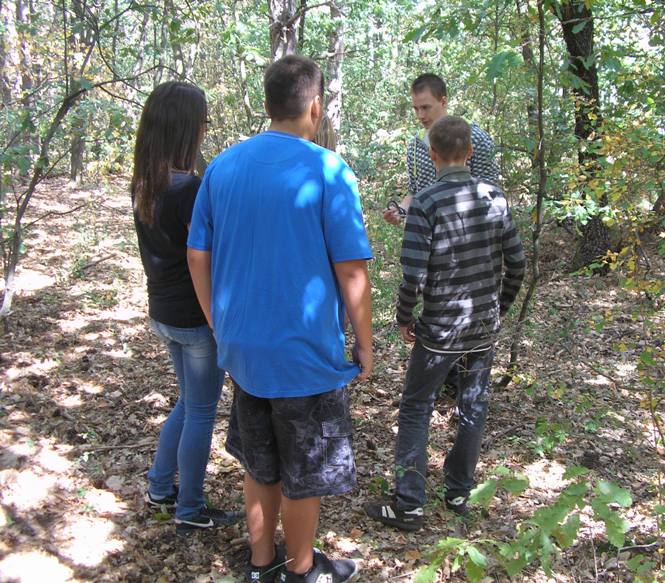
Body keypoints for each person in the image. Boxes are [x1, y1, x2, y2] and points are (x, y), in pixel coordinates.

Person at [187, 55, 372, 583]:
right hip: (303, 354)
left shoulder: (224, 166)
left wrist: (218, 322)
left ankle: (260, 564)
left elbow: (196, 254)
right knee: (303, 473)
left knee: (259, 462)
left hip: (244, 350)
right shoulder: (328, 169)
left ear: (268, 105)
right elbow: (351, 270)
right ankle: (302, 570)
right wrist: (365, 344)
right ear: (315, 106)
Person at [366, 116, 526, 531]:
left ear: (433, 155)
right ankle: (458, 492)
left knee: (416, 407)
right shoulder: (494, 196)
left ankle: (409, 504)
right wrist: (498, 309)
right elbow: (517, 264)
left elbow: (413, 276)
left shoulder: (426, 202)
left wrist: (404, 317)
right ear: (470, 152)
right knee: (472, 405)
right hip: (481, 329)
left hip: (439, 331)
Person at [131, 82, 239, 533]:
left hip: (164, 312)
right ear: (185, 128)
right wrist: (217, 317)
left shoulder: (145, 182)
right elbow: (204, 254)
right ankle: (190, 508)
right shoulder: (188, 188)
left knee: (190, 402)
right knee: (200, 410)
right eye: (202, 123)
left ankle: (160, 486)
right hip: (195, 319)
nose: (204, 130)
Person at [382, 73, 499, 226]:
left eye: (425, 107)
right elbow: (415, 192)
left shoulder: (473, 137)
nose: (420, 115)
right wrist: (401, 211)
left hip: (470, 232)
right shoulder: (415, 147)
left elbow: (491, 192)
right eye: (416, 109)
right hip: (428, 235)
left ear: (443, 102)